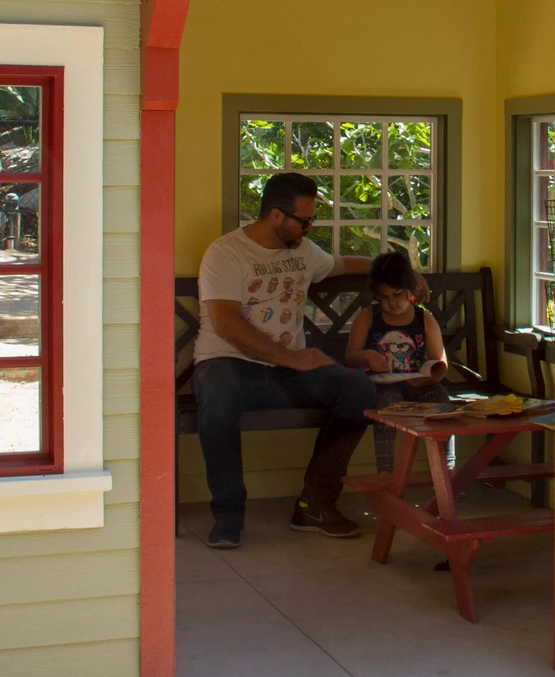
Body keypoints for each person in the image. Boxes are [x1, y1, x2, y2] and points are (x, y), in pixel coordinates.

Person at [191, 170, 426, 550]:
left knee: (356, 391)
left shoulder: (302, 251)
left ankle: (315, 505)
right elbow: (226, 323)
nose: (309, 228)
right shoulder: (226, 253)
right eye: (304, 221)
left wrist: (402, 272)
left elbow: (342, 264)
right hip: (228, 362)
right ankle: (228, 516)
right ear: (276, 216)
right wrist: (294, 358)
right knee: (217, 399)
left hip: (287, 369)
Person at [346, 249, 451, 473]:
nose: (391, 303)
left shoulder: (424, 318)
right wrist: (368, 355)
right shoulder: (368, 317)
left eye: (397, 294)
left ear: (410, 291)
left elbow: (438, 359)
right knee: (387, 408)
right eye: (384, 297)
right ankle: (386, 470)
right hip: (382, 386)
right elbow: (350, 355)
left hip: (416, 383)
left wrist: (429, 376)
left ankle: (446, 470)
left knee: (442, 400)